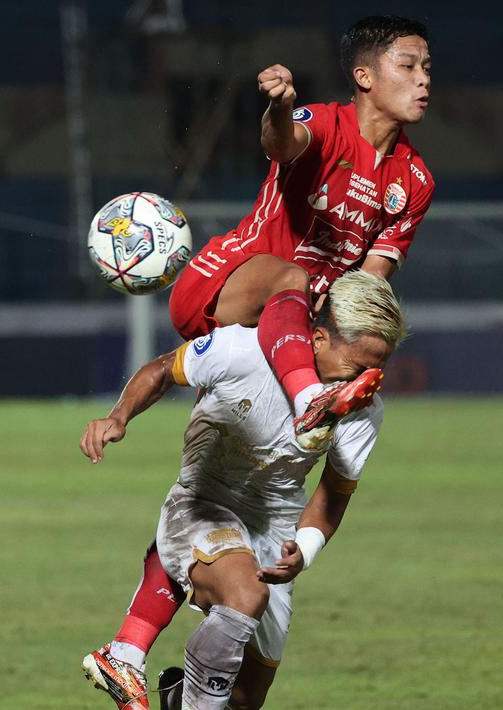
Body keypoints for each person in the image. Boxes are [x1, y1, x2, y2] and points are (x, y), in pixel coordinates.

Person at [84, 15, 434, 707]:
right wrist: (277, 106)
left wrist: (359, 348)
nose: (423, 80)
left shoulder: (414, 179)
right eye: (408, 65)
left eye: (428, 68)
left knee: (214, 494)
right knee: (294, 278)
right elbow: (283, 143)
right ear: (364, 76)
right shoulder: (324, 123)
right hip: (230, 284)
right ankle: (305, 396)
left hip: (289, 333)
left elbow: (368, 285)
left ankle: (140, 659)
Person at [81, 271, 406, 709]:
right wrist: (118, 417)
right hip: (201, 504)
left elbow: (333, 494)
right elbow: (161, 370)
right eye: (359, 368)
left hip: (273, 529)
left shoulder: (364, 410)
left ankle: (177, 697)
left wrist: (304, 550)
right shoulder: (242, 349)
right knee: (246, 595)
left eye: (378, 370)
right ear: (317, 339)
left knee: (245, 699)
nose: (366, 382)